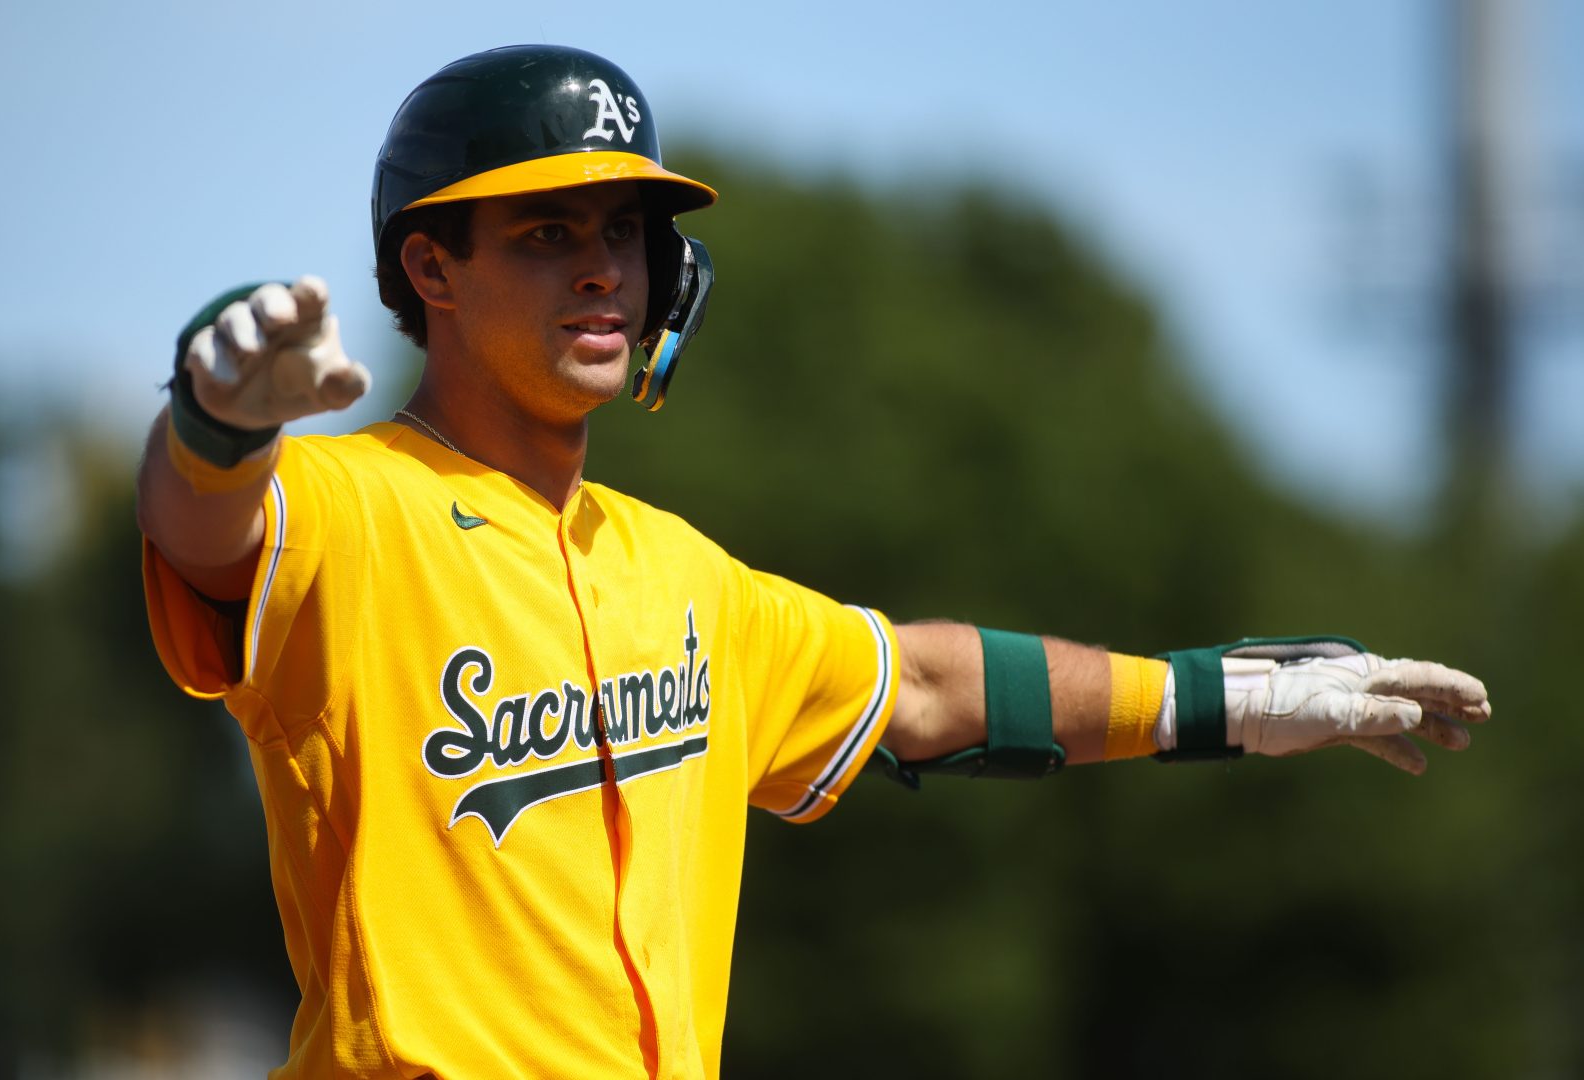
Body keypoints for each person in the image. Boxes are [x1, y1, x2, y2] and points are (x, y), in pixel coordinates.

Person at [135, 44, 1492, 1080]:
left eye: (623, 231)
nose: (602, 271)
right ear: (432, 269)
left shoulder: (679, 574)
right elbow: (203, 528)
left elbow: (928, 687)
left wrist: (1223, 700)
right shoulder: (346, 509)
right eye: (548, 233)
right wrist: (214, 426)